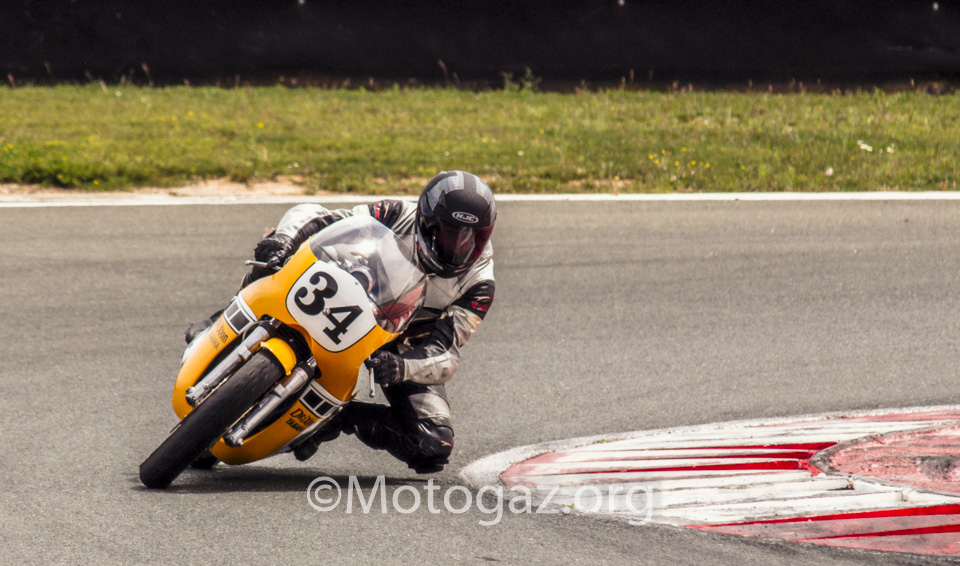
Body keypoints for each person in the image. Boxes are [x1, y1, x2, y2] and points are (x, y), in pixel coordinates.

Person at [229, 170, 496, 474]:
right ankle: (227, 319)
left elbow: (445, 351)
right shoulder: (395, 213)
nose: (458, 246)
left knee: (432, 443)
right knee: (275, 249)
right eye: (449, 233)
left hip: (398, 344)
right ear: (426, 220)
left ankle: (336, 417)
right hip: (346, 292)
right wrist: (285, 239)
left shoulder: (480, 284)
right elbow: (324, 218)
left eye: (470, 238)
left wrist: (402, 366)